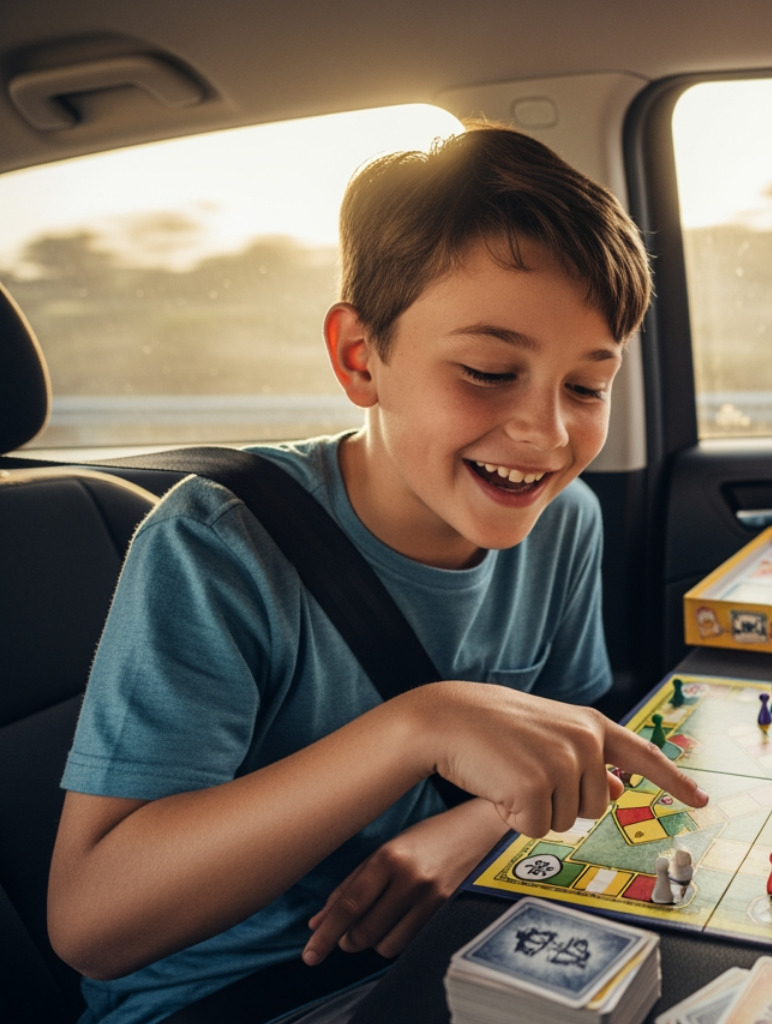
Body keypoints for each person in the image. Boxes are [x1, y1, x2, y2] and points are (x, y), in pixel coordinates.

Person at [48, 125, 709, 1024]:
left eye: (587, 387)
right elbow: (92, 921)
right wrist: (422, 726)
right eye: (487, 371)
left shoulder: (565, 523)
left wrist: (471, 825)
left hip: (470, 930)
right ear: (362, 357)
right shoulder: (218, 547)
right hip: (239, 996)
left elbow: (577, 745)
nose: (548, 435)